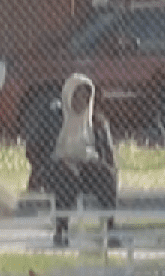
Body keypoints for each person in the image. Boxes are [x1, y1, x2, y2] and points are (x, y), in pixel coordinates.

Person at [25, 73, 120, 247]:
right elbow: (33, 149)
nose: (81, 101)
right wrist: (53, 162)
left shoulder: (97, 122)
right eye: (77, 96)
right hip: (56, 168)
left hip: (86, 169)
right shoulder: (53, 117)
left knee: (107, 176)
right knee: (66, 176)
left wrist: (103, 166)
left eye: (86, 97)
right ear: (68, 95)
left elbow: (108, 155)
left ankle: (110, 228)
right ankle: (62, 231)